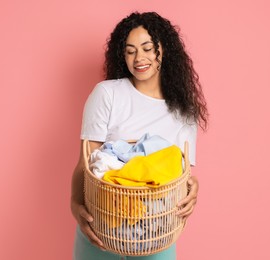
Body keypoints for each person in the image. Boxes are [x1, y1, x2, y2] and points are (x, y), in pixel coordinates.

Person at [71, 11, 208, 260]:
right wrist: (76, 206)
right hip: (102, 225)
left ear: (163, 51)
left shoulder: (184, 113)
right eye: (130, 50)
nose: (139, 58)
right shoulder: (107, 94)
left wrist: (193, 187)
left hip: (156, 231)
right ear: (122, 55)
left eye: (147, 48)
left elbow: (180, 176)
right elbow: (86, 164)